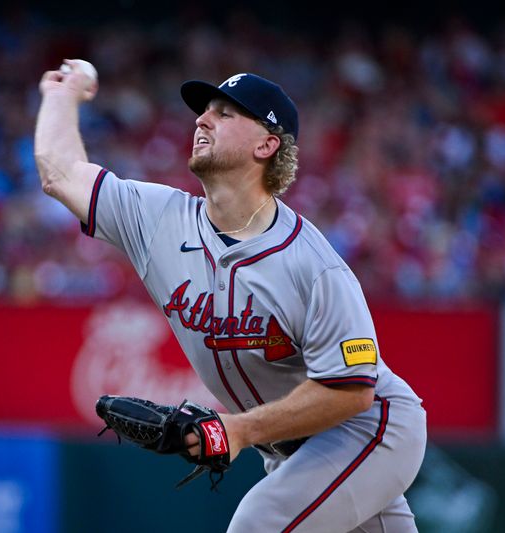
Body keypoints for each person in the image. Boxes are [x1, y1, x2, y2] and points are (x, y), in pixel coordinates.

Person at [35, 60, 427, 532]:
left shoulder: (312, 264)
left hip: (371, 430)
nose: (202, 119)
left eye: (225, 113)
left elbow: (353, 390)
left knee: (257, 525)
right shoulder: (159, 220)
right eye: (204, 111)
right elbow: (60, 172)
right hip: (292, 452)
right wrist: (62, 94)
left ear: (267, 144)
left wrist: (237, 429)